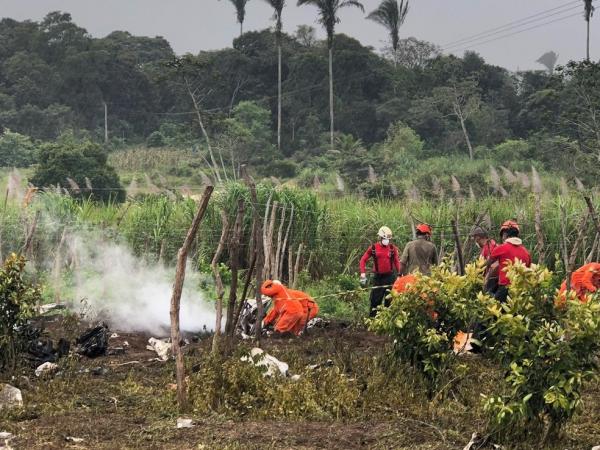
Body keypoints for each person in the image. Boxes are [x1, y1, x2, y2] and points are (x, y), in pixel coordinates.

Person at [359, 226, 401, 317]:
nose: (387, 241)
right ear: (380, 238)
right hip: (378, 278)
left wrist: (400, 274)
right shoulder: (373, 248)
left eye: (388, 239)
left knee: (389, 301)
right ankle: (372, 320)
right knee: (375, 301)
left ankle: (388, 320)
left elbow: (397, 262)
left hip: (390, 277)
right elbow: (363, 260)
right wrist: (363, 274)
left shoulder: (392, 248)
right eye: (385, 239)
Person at [487, 220, 531, 302]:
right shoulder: (526, 252)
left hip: (504, 290)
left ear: (504, 234)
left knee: (497, 312)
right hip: (520, 291)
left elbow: (488, 263)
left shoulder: (501, 248)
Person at [470, 226, 498, 293]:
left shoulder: (490, 245)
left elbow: (492, 261)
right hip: (490, 278)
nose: (474, 240)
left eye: (474, 237)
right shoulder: (485, 247)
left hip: (493, 278)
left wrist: (479, 269)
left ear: (478, 237)